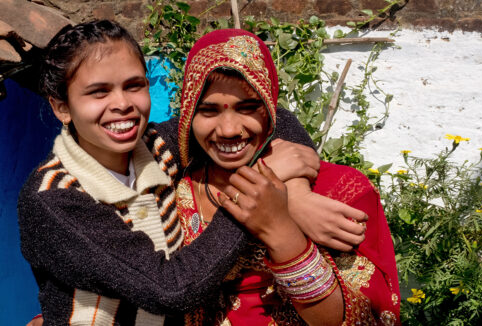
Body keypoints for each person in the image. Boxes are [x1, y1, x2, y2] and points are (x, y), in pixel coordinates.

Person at [18, 20, 361, 325]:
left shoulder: (157, 149)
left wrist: (296, 196)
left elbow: (273, 118)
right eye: (98, 92)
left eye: (134, 85)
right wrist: (256, 201)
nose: (122, 103)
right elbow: (169, 288)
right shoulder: (54, 198)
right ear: (62, 106)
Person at [174, 29, 401, 325]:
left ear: (270, 109)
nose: (228, 129)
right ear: (189, 113)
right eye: (208, 111)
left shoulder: (340, 192)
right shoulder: (170, 189)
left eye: (248, 108)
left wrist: (284, 234)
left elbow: (363, 318)